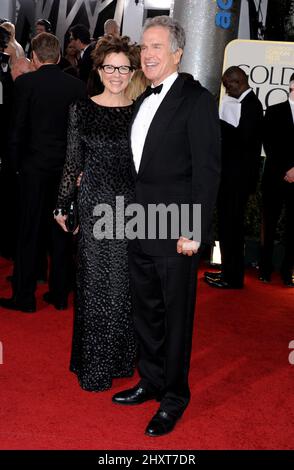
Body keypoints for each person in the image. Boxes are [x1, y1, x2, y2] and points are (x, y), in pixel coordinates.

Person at [112, 16, 221, 437]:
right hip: (140, 222)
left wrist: (195, 230)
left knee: (176, 315)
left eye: (156, 45)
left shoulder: (196, 99)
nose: (147, 53)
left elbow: (207, 172)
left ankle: (174, 395)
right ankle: (152, 379)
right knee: (147, 310)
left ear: (178, 52)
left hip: (177, 229)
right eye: (144, 46)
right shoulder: (143, 99)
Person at [54, 35, 140, 392]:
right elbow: (73, 159)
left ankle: (121, 360)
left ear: (131, 70)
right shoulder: (81, 109)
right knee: (93, 285)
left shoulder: (140, 109)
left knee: (124, 286)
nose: (117, 74)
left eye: (123, 67)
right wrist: (63, 202)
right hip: (93, 206)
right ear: (99, 69)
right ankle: (94, 365)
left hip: (131, 208)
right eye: (110, 67)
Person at [0, 32, 86, 313]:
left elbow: (17, 130)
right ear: (59, 56)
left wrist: (12, 167)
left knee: (28, 232)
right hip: (65, 171)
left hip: (33, 170)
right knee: (61, 231)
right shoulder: (76, 86)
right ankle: (59, 294)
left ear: (34, 58)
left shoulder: (25, 84)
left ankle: (24, 296)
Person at [205, 66, 263, 289]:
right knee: (228, 227)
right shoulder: (243, 104)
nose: (228, 89)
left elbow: (244, 141)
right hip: (231, 179)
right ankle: (227, 271)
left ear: (241, 81)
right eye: (226, 85)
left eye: (231, 85)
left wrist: (220, 126)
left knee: (233, 229)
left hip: (237, 181)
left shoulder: (252, 106)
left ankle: (233, 277)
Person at [259, 73, 294, 287]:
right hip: (275, 177)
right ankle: (264, 268)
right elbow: (269, 144)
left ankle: (287, 271)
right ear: (292, 86)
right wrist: (287, 170)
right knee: (269, 225)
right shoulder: (274, 111)